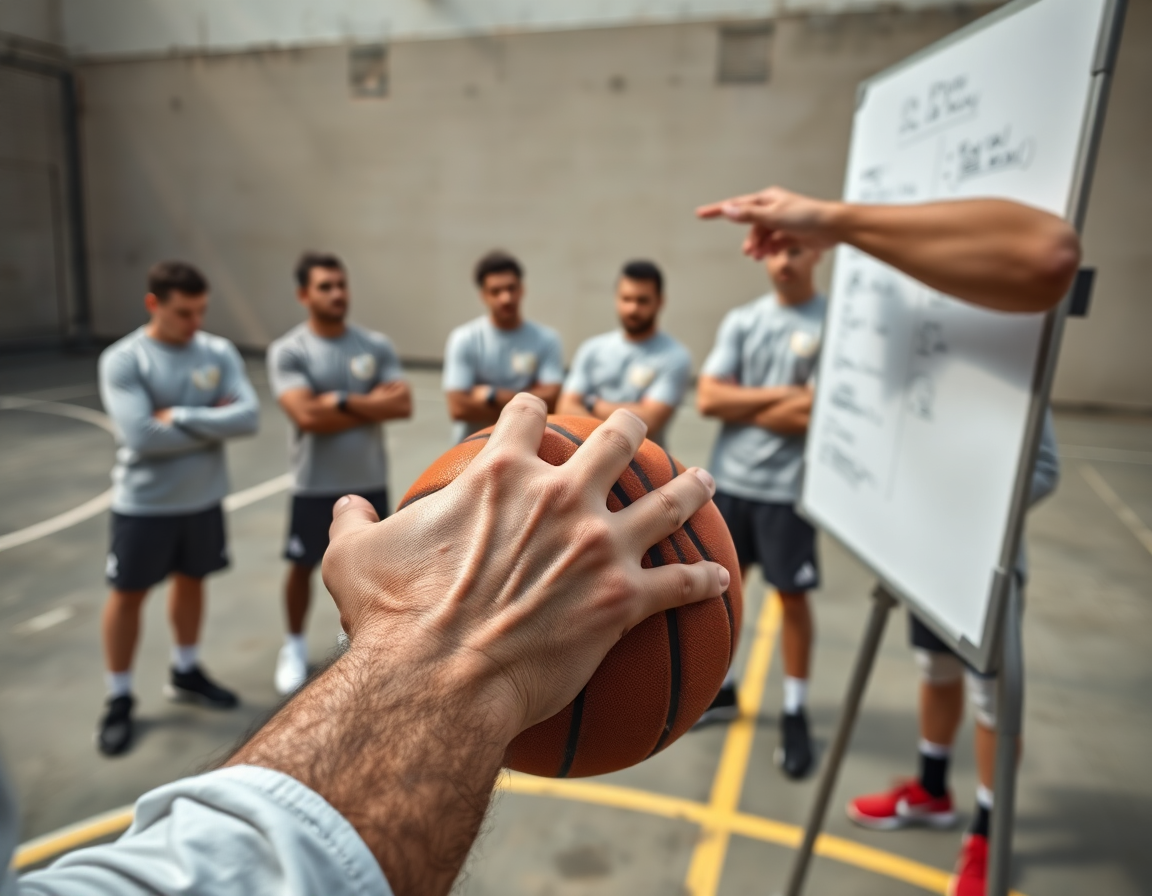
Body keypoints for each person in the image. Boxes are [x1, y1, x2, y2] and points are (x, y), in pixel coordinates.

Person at [5, 188, 1078, 896]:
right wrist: (440, 661)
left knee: (906, 646)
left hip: (840, 498)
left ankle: (902, 766)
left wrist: (427, 654)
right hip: (740, 484)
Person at [845, 413, 1060, 896]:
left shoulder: (1019, 362)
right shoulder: (932, 354)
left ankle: (986, 831)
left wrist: (968, 501)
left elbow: (1046, 467)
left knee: (992, 701)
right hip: (929, 559)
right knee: (935, 671)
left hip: (987, 572)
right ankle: (933, 791)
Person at [94, 261, 260, 757]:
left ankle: (185, 670)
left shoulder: (217, 351)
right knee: (128, 595)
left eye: (200, 311)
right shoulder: (124, 359)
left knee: (192, 583)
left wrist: (183, 416)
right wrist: (214, 421)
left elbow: (249, 417)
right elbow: (139, 436)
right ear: (154, 305)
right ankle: (118, 696)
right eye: (183, 313)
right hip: (143, 506)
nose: (194, 323)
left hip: (202, 501)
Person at [693, 240, 826, 780]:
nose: (786, 260)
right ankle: (721, 690)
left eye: (797, 249)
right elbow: (708, 399)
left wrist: (745, 399)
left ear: (815, 255)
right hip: (733, 483)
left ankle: (794, 708)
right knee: (726, 591)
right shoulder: (743, 319)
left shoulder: (832, 324)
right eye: (776, 252)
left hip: (787, 491)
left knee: (792, 599)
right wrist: (785, 398)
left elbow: (817, 413)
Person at [266, 252, 412, 695]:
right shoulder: (289, 351)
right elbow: (306, 416)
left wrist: (339, 402)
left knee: (373, 570)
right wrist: (367, 403)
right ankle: (292, 645)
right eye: (325, 286)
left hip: (368, 482)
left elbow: (401, 405)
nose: (336, 294)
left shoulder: (374, 345)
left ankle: (361, 644)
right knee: (302, 566)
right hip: (315, 485)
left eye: (341, 285)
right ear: (304, 294)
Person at [557, 260, 692, 446]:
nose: (633, 309)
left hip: (647, 469)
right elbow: (565, 408)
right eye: (626, 299)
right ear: (616, 298)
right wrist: (631, 413)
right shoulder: (592, 349)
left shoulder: (674, 356)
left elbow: (649, 420)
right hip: (588, 464)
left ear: (660, 302)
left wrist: (590, 404)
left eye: (642, 300)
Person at [443, 250, 565, 442]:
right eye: (496, 291)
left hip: (527, 448)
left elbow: (551, 402)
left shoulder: (546, 339)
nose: (506, 298)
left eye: (511, 288)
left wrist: (491, 395)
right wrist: (530, 398)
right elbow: (459, 408)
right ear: (483, 295)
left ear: (522, 289)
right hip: (471, 451)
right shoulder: (464, 338)